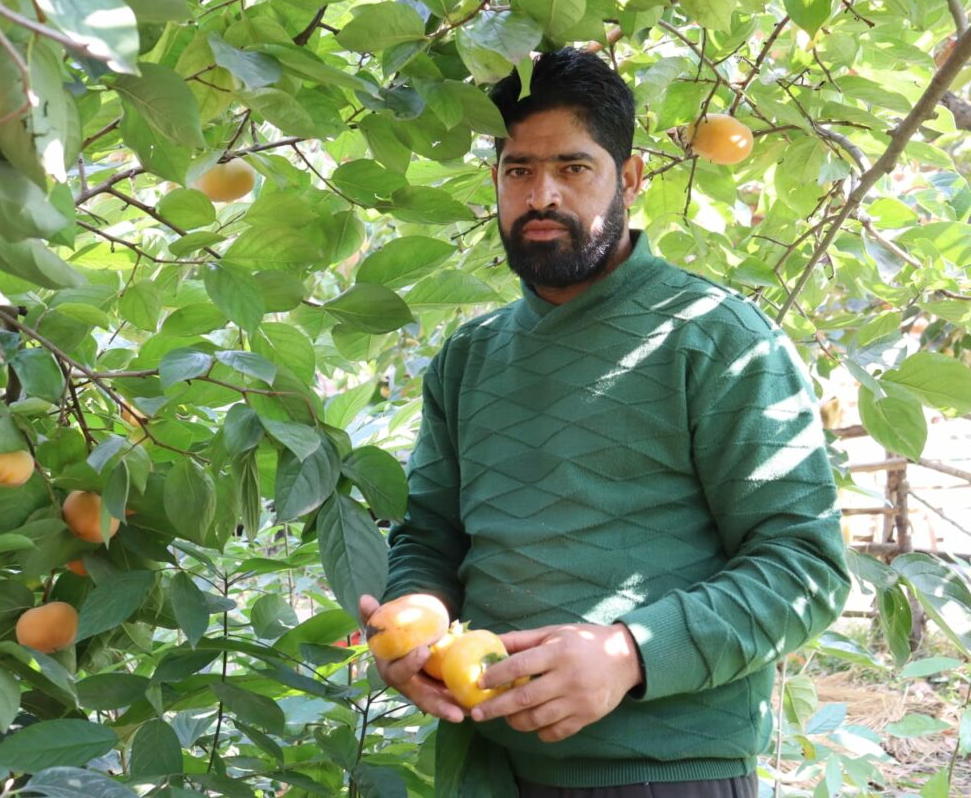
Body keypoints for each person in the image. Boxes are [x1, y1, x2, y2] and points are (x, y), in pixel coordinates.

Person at [358, 47, 851, 798]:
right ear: (494, 181)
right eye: (518, 170)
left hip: (667, 775)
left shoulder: (717, 337)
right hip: (487, 769)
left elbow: (803, 566)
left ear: (630, 178)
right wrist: (417, 613)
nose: (541, 194)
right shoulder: (468, 357)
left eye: (574, 167)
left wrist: (630, 654)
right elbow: (429, 536)